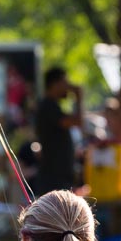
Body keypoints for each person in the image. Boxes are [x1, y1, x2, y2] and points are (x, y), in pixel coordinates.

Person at [35, 67, 83, 195]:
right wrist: (79, 98)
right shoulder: (48, 106)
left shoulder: (51, 106)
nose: (68, 87)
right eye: (65, 83)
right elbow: (77, 122)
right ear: (54, 84)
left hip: (58, 178)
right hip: (53, 179)